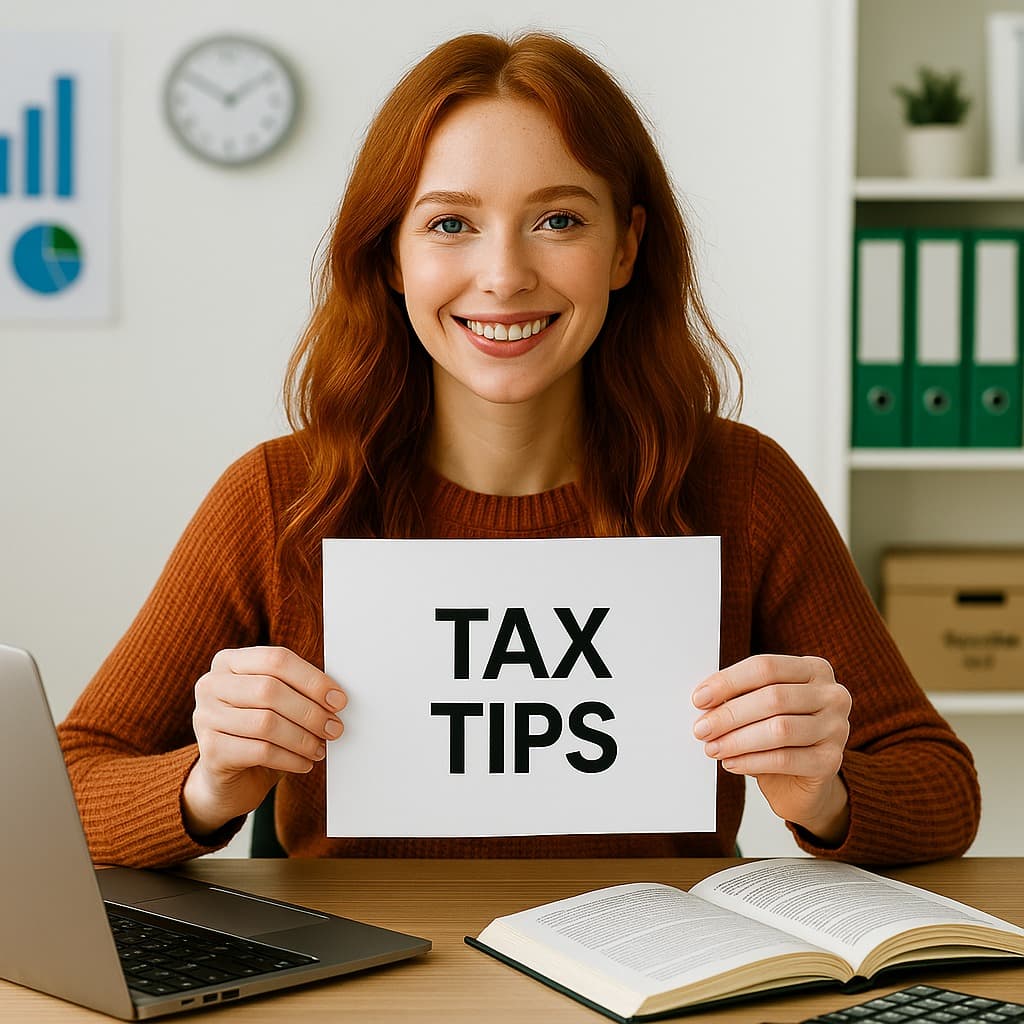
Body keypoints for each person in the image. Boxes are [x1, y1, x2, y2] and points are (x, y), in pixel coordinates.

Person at [58, 31, 980, 868]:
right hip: (370, 991)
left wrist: (823, 789)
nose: (503, 276)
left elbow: (943, 789)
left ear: (626, 247)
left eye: (560, 220)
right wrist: (207, 782)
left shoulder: (739, 484)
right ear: (390, 258)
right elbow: (66, 785)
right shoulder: (283, 494)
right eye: (450, 223)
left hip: (664, 981)